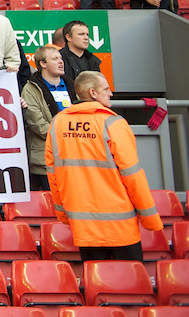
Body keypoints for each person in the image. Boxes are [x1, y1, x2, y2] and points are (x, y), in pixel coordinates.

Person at [46, 71, 162, 262]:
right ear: (93, 93)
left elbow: (53, 174)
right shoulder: (113, 123)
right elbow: (133, 175)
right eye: (106, 89)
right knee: (130, 284)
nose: (111, 94)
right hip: (120, 225)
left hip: (84, 226)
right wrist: (150, 218)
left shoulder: (57, 123)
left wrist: (63, 215)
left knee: (98, 286)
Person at [21, 45, 70, 191]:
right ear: (43, 63)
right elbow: (37, 124)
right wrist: (69, 136)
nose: (61, 62)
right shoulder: (30, 89)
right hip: (46, 160)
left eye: (61, 58)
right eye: (55, 59)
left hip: (73, 157)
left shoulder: (72, 85)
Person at [58, 20, 103, 87]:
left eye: (87, 34)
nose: (86, 38)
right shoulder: (59, 59)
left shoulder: (93, 61)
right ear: (68, 37)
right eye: (81, 34)